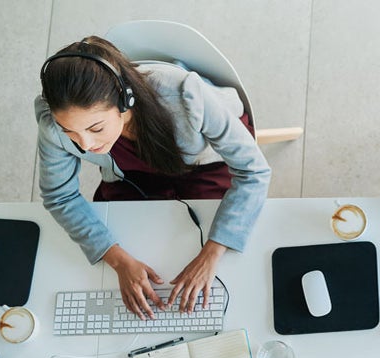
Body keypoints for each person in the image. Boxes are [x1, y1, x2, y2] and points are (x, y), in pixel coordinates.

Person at [36, 36, 271, 320]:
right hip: (132, 175)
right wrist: (118, 260)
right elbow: (59, 195)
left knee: (224, 252)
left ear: (125, 101)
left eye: (95, 127)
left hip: (203, 165)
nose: (84, 144)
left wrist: (212, 252)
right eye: (70, 131)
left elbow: (254, 171)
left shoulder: (184, 95)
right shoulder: (53, 124)